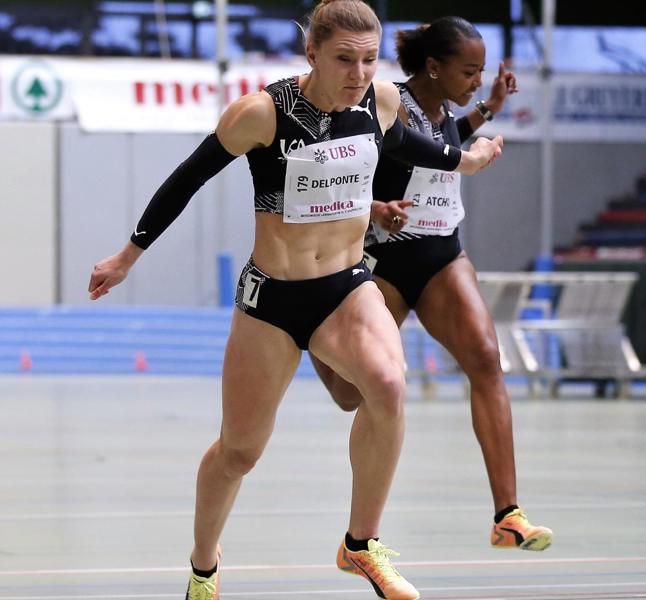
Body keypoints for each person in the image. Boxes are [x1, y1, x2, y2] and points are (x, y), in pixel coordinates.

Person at [87, 2, 504, 599]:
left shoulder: (380, 103)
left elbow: (416, 149)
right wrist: (128, 256)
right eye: (344, 59)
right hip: (273, 301)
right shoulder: (262, 114)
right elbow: (187, 178)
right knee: (239, 451)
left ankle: (360, 544)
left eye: (368, 59)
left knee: (387, 386)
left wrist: (467, 158)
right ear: (312, 54)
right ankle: (204, 565)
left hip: (346, 287)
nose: (359, 73)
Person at [309, 16, 553, 552]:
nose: (474, 79)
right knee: (352, 394)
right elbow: (356, 162)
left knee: (487, 361)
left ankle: (507, 515)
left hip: (442, 251)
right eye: (469, 71)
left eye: (480, 71)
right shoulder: (385, 102)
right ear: (434, 67)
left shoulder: (444, 113)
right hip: (383, 258)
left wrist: (487, 107)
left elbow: (442, 141)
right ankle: (315, 331)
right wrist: (372, 207)